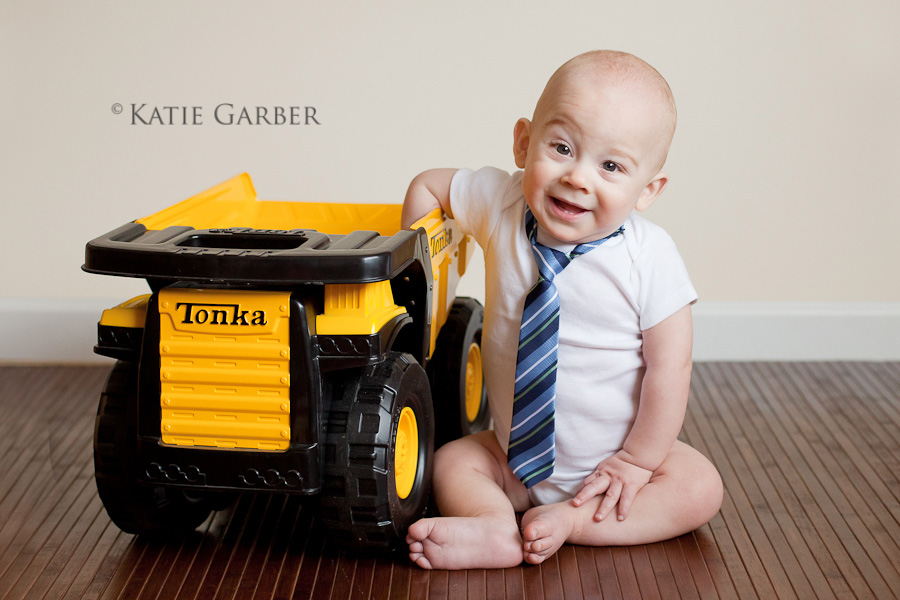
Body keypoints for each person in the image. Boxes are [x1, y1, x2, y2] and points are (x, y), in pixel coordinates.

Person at [400, 50, 723, 570]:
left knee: (699, 486)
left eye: (611, 166)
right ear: (524, 143)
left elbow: (671, 366)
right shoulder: (500, 202)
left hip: (609, 470)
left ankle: (574, 521)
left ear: (649, 190)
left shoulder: (650, 257)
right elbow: (429, 185)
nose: (578, 177)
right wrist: (422, 282)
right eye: (563, 147)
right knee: (453, 459)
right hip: (511, 460)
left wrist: (638, 461)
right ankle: (495, 526)